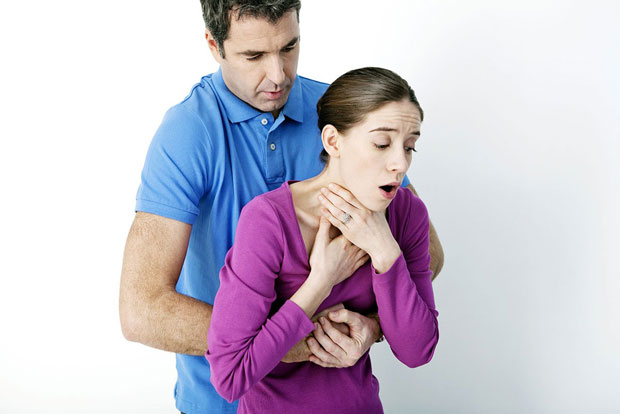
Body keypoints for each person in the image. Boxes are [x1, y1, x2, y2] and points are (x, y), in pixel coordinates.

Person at [119, 1, 444, 413]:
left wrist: (374, 326)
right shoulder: (189, 132)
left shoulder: (344, 113)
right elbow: (143, 310)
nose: (278, 75)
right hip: (218, 400)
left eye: (289, 48)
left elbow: (422, 253)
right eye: (253, 56)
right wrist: (288, 340)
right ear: (214, 46)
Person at [206, 67, 439, 414]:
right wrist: (320, 282)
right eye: (381, 144)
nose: (399, 164)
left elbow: (418, 352)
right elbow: (230, 375)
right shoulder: (268, 220)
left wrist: (385, 251)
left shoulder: (407, 214)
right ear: (332, 141)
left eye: (409, 147)